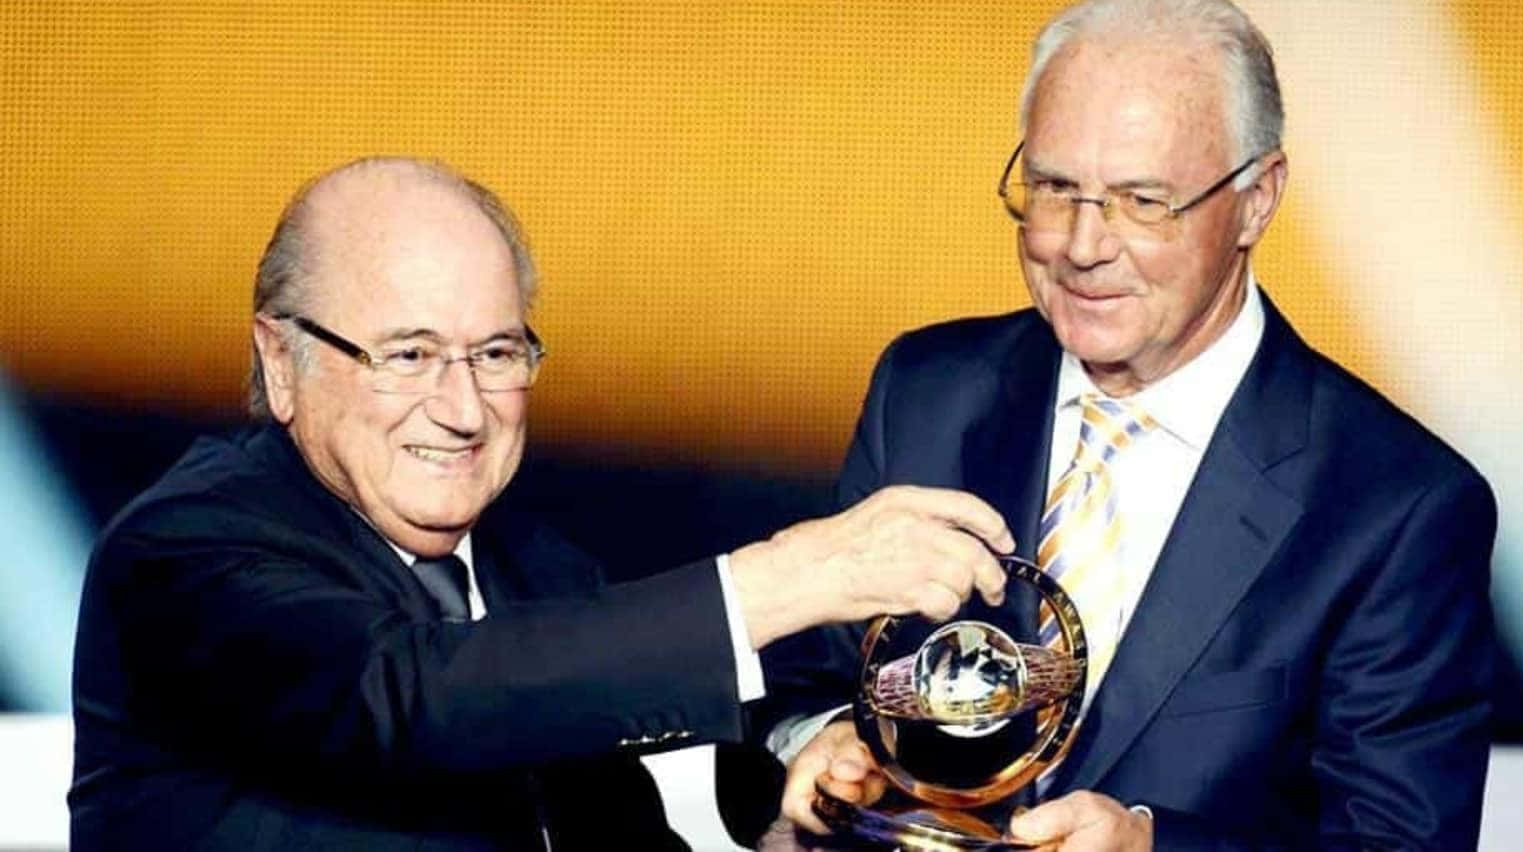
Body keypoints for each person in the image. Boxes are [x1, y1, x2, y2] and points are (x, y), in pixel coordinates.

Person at [68, 157, 1016, 850]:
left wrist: (799, 818)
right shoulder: (185, 551)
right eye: (408, 355)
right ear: (282, 361)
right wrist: (789, 578)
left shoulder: (536, 572)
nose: (462, 409)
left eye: (495, 354)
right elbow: (411, 696)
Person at [771, 0, 1496, 849]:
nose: (1083, 246)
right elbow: (800, 680)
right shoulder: (927, 392)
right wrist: (820, 742)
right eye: (1054, 188)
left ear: (1257, 198)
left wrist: (1151, 847)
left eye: (1144, 201)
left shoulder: (1395, 506)